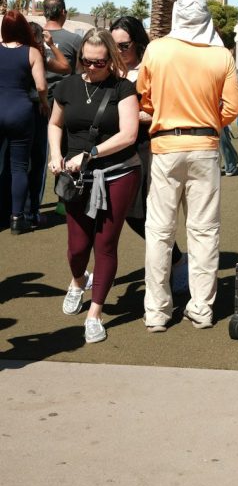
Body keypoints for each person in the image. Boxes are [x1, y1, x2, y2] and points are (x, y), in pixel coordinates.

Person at [137, 0, 238, 332]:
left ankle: (156, 311)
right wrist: (208, 122)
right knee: (204, 232)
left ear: (176, 15)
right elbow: (232, 108)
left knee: (159, 232)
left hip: (165, 146)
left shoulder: (157, 49)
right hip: (205, 147)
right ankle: (201, 308)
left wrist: (164, 112)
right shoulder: (220, 56)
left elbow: (145, 98)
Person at [48, 30, 141, 344]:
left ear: (110, 60)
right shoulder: (67, 86)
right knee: (76, 248)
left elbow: (129, 134)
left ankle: (95, 314)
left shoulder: (123, 88)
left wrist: (93, 153)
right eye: (85, 61)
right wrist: (56, 155)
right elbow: (54, 124)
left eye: (98, 63)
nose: (90, 67)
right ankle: (78, 282)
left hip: (118, 173)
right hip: (76, 178)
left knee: (105, 245)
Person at [110, 15, 187, 290]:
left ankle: (176, 261)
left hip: (146, 145)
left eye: (124, 45)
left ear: (137, 42)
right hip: (114, 146)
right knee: (116, 212)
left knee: (141, 212)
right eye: (114, 44)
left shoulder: (150, 67)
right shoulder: (109, 68)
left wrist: (135, 116)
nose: (119, 51)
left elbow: (167, 108)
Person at [0, 11, 48, 233]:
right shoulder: (32, 52)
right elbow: (40, 86)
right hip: (20, 111)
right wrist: (44, 104)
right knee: (19, 167)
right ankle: (17, 218)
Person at [24, 21, 70, 227]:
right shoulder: (38, 55)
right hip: (37, 110)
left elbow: (64, 67)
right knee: (37, 162)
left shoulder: (12, 52)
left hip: (11, 111)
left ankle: (14, 208)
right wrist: (51, 45)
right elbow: (65, 68)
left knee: (14, 163)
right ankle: (31, 211)